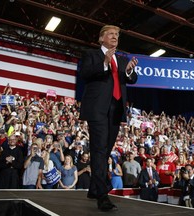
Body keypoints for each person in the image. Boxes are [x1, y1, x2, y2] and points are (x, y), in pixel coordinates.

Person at [79, 24, 138, 211]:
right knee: (98, 150)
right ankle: (102, 196)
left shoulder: (121, 59)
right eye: (111, 34)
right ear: (101, 38)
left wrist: (128, 70)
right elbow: (85, 74)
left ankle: (93, 188)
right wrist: (104, 62)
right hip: (97, 108)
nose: (115, 37)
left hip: (116, 110)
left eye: (117, 35)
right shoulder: (91, 55)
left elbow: (132, 79)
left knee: (105, 152)